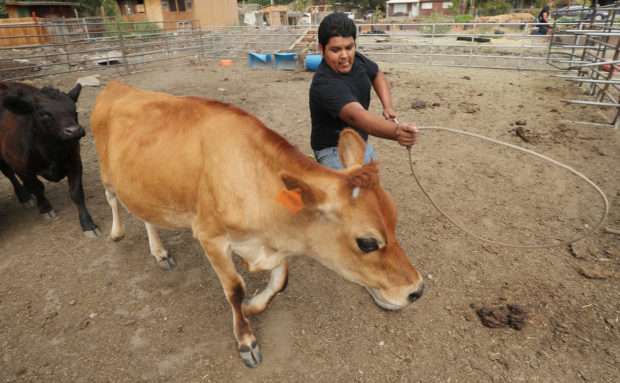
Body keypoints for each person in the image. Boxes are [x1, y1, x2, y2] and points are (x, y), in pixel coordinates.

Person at [309, 12, 417, 170]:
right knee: (354, 190)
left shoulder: (358, 60)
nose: (344, 56)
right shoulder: (324, 83)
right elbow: (356, 116)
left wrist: (388, 106)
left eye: (349, 47)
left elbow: (377, 74)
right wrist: (396, 132)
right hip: (333, 149)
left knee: (369, 182)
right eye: (335, 50)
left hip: (359, 139)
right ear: (321, 49)